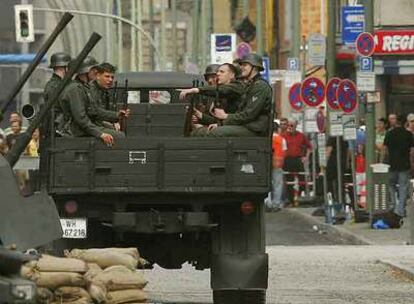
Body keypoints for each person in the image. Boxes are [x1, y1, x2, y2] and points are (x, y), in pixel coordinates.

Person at [200, 53, 272, 137]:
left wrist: (226, 116)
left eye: (245, 65)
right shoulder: (250, 85)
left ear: (255, 67)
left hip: (254, 129)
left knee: (216, 133)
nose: (241, 68)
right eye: (241, 65)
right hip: (247, 126)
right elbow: (240, 112)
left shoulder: (260, 86)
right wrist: (221, 124)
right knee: (212, 130)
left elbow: (248, 115)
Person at [60, 58, 128, 146]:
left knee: (118, 132)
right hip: (76, 130)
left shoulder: (83, 87)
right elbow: (81, 119)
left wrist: (116, 115)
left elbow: (95, 111)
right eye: (93, 70)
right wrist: (100, 134)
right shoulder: (75, 89)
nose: (96, 73)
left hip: (82, 128)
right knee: (120, 137)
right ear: (85, 71)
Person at [179, 63, 245, 132]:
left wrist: (196, 90)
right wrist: (198, 114)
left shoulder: (237, 86)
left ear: (232, 75)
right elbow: (216, 119)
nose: (218, 74)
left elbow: (223, 90)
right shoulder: (214, 94)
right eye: (207, 78)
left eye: (221, 72)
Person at [384, 114, 414, 218]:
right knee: (403, 187)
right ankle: (401, 210)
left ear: (396, 122)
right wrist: (411, 164)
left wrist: (384, 161)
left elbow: (385, 150)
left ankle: (394, 205)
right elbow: (411, 151)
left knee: (390, 185)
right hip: (404, 165)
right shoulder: (408, 134)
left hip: (392, 164)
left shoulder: (389, 134)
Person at [282, 118, 312, 205]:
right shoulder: (283, 135)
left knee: (302, 179)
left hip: (298, 159)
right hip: (287, 160)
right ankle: (291, 200)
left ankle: (299, 197)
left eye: (292, 125)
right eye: (288, 125)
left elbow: (309, 147)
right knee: (289, 181)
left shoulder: (301, 136)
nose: (290, 127)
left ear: (295, 126)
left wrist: (306, 157)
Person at [265, 121, 287, 211]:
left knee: (266, 183)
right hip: (278, 164)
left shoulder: (266, 139)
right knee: (277, 185)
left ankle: (267, 203)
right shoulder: (281, 139)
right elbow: (284, 151)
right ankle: (276, 204)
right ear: (277, 129)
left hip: (266, 163)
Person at [325, 136, 348, 203]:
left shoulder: (332, 137)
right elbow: (348, 151)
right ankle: (341, 200)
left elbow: (329, 151)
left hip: (332, 164)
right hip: (342, 163)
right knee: (340, 183)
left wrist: (324, 163)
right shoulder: (344, 138)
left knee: (329, 183)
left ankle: (330, 200)